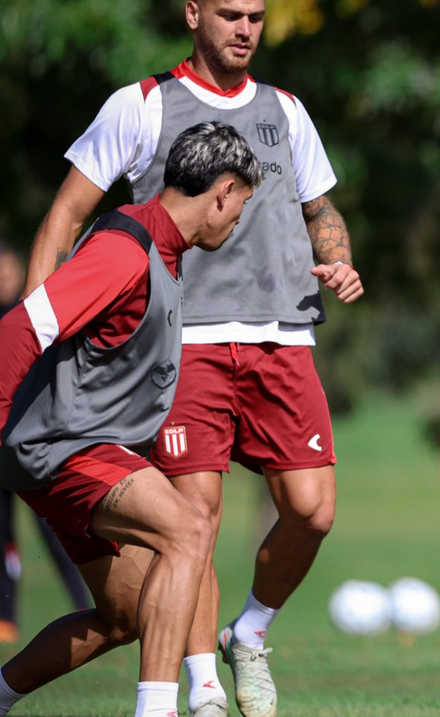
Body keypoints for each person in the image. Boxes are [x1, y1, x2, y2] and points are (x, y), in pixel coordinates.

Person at [23, 0, 364, 717]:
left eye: (256, 18)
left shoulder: (286, 109)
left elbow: (321, 211)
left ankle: (252, 631)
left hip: (285, 336)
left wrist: (337, 260)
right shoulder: (140, 105)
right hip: (186, 343)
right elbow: (66, 216)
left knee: (312, 508)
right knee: (196, 516)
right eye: (230, 16)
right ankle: (204, 687)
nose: (245, 31)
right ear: (193, 15)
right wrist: (40, 327)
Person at [0, 122, 261, 717]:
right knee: (190, 529)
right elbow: (17, 329)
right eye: (241, 206)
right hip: (62, 446)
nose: (238, 221)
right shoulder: (126, 250)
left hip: (65, 451)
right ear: (221, 192)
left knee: (123, 615)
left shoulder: (160, 249)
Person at [0, 242, 91, 643]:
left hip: (35, 442)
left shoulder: (37, 319)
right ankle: (6, 617)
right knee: (2, 535)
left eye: (7, 269)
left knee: (56, 529)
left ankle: (86, 604)